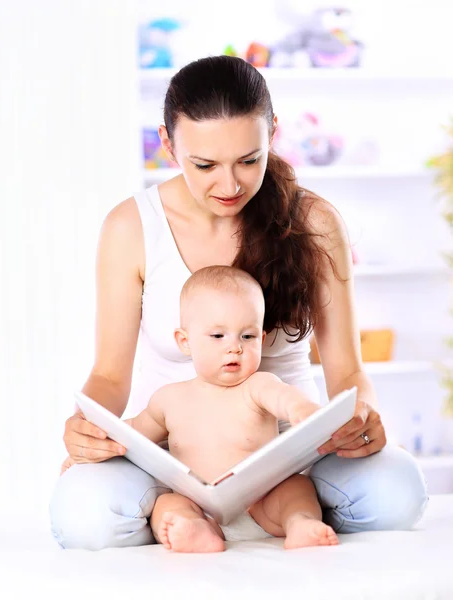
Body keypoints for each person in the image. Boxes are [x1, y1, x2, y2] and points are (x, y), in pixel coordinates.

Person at [49, 55, 428, 550]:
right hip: (174, 454)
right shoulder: (132, 227)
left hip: (291, 453)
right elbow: (110, 375)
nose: (229, 186)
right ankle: (185, 510)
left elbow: (348, 374)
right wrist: (88, 431)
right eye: (204, 165)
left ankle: (282, 506)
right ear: (167, 143)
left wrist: (364, 423)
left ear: (273, 131)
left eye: (250, 160)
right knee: (82, 515)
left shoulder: (313, 221)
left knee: (397, 491)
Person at [128, 265, 337, 552]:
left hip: (262, 505)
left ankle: (299, 523)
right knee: (167, 503)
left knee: (297, 488)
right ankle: (195, 531)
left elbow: (285, 398)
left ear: (261, 340)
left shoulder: (258, 386)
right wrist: (93, 447)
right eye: (218, 336)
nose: (234, 348)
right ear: (185, 342)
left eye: (247, 337)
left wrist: (302, 410)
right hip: (201, 506)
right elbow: (130, 436)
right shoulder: (168, 399)